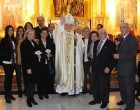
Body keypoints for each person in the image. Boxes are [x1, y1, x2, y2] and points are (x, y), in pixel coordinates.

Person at [53, 13, 85, 95]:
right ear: (64, 26)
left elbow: (82, 47)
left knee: (74, 72)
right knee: (63, 72)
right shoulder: (61, 34)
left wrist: (77, 42)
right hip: (63, 60)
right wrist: (60, 23)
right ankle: (63, 90)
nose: (68, 27)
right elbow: (55, 34)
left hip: (73, 60)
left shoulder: (76, 35)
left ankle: (74, 90)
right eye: (66, 25)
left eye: (70, 25)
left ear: (72, 26)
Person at [89, 28, 117, 109]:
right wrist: (91, 65)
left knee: (104, 86)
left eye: (102, 33)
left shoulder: (110, 44)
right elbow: (94, 57)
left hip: (105, 69)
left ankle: (105, 101)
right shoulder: (96, 42)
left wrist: (109, 67)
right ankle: (96, 99)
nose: (100, 35)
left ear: (105, 34)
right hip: (95, 68)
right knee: (95, 85)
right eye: (99, 33)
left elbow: (114, 58)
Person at [114, 22, 138, 110]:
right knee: (122, 86)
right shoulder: (120, 38)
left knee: (129, 88)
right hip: (120, 67)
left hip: (128, 68)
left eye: (124, 27)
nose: (122, 29)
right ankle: (124, 100)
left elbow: (133, 53)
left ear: (128, 29)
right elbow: (119, 50)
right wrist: (116, 47)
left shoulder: (132, 39)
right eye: (121, 27)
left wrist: (120, 56)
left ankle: (130, 106)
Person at [20, 29, 38, 107]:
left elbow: (35, 53)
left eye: (33, 34)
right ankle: (28, 100)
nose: (32, 35)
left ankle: (32, 98)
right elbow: (24, 57)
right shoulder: (24, 43)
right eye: (30, 34)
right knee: (28, 84)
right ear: (27, 35)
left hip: (34, 67)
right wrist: (28, 68)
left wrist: (39, 55)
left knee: (33, 83)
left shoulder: (33, 43)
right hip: (28, 67)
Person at [35, 27, 53, 99]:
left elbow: (53, 51)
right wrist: (42, 55)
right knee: (40, 79)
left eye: (46, 33)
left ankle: (46, 92)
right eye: (43, 32)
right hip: (40, 63)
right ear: (40, 34)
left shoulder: (50, 41)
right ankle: (40, 93)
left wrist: (51, 54)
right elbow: (35, 52)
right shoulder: (37, 42)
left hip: (48, 63)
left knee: (47, 79)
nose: (44, 34)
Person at [0, 25, 16, 103]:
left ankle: (9, 93)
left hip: (13, 61)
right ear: (6, 31)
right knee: (7, 79)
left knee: (10, 78)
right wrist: (1, 63)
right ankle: (6, 95)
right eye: (9, 30)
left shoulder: (14, 39)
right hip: (6, 62)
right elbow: (1, 52)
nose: (10, 32)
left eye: (12, 30)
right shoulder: (3, 40)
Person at [15, 26, 24, 97]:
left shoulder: (25, 39)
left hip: (24, 61)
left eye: (22, 31)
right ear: (17, 32)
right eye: (19, 31)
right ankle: (19, 90)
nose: (20, 32)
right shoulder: (15, 40)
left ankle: (26, 90)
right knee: (18, 77)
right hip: (17, 61)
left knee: (26, 77)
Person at [82, 26, 91, 93]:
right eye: (84, 31)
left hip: (90, 60)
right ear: (82, 32)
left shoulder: (92, 40)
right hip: (82, 60)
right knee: (83, 75)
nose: (86, 33)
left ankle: (91, 88)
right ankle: (84, 88)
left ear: (89, 32)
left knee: (91, 74)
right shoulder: (80, 40)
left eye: (87, 31)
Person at [47, 23, 56, 93]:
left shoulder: (56, 36)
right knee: (48, 73)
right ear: (48, 28)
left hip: (55, 57)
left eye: (53, 27)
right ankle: (48, 88)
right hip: (47, 57)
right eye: (50, 27)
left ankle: (52, 88)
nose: (52, 29)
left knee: (53, 73)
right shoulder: (46, 36)